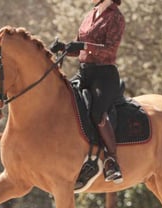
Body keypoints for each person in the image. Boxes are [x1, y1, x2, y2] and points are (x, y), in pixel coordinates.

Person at [50, 0, 125, 184]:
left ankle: (111, 160)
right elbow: (80, 46)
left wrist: (83, 46)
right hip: (85, 72)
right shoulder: (90, 14)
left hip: (104, 75)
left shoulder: (116, 17)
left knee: (97, 113)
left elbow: (110, 51)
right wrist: (66, 48)